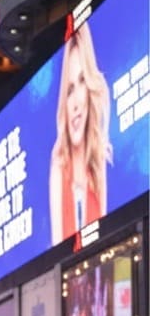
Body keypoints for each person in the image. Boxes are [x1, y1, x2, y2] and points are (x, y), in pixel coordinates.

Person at [48, 22, 112, 246]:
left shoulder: (98, 161)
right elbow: (58, 249)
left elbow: (106, 242)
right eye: (69, 90)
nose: (75, 103)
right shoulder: (58, 165)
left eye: (82, 82)